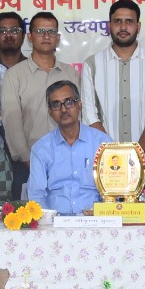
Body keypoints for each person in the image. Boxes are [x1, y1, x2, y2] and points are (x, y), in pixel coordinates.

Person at [0, 11, 97, 200]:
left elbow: (78, 116)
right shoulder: (14, 75)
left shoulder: (70, 73)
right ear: (30, 37)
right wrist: (31, 161)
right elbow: (12, 122)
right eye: (40, 31)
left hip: (69, 163)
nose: (46, 36)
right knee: (32, 215)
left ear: (58, 38)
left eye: (51, 32)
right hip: (26, 164)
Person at [82, 0, 145, 184]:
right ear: (109, 26)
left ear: (138, 26)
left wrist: (135, 154)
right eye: (117, 21)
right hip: (106, 167)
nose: (123, 27)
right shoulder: (92, 64)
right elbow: (90, 116)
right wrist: (116, 156)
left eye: (129, 21)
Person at [30, 80, 112, 214]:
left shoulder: (103, 143)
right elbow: (36, 195)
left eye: (69, 102)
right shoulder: (41, 149)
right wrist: (48, 221)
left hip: (95, 219)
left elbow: (113, 190)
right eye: (56, 104)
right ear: (50, 111)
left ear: (80, 104)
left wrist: (102, 212)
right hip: (55, 221)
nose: (63, 109)